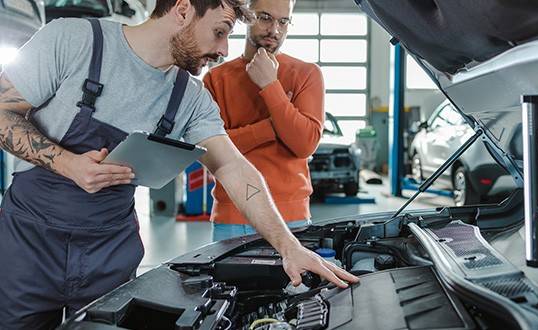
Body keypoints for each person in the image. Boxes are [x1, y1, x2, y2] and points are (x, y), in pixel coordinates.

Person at [0, 0, 357, 327]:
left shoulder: (189, 96)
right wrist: (67, 164)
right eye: (219, 32)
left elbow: (232, 167)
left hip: (108, 251)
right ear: (184, 10)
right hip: (29, 246)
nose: (224, 50)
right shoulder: (74, 40)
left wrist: (289, 246)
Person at [204, 0, 323, 241]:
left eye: (283, 21)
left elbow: (304, 145)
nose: (274, 30)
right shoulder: (216, 79)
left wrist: (270, 86)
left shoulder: (306, 74)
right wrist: (272, 126)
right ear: (246, 17)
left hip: (292, 218)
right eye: (265, 17)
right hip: (232, 217)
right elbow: (213, 152)